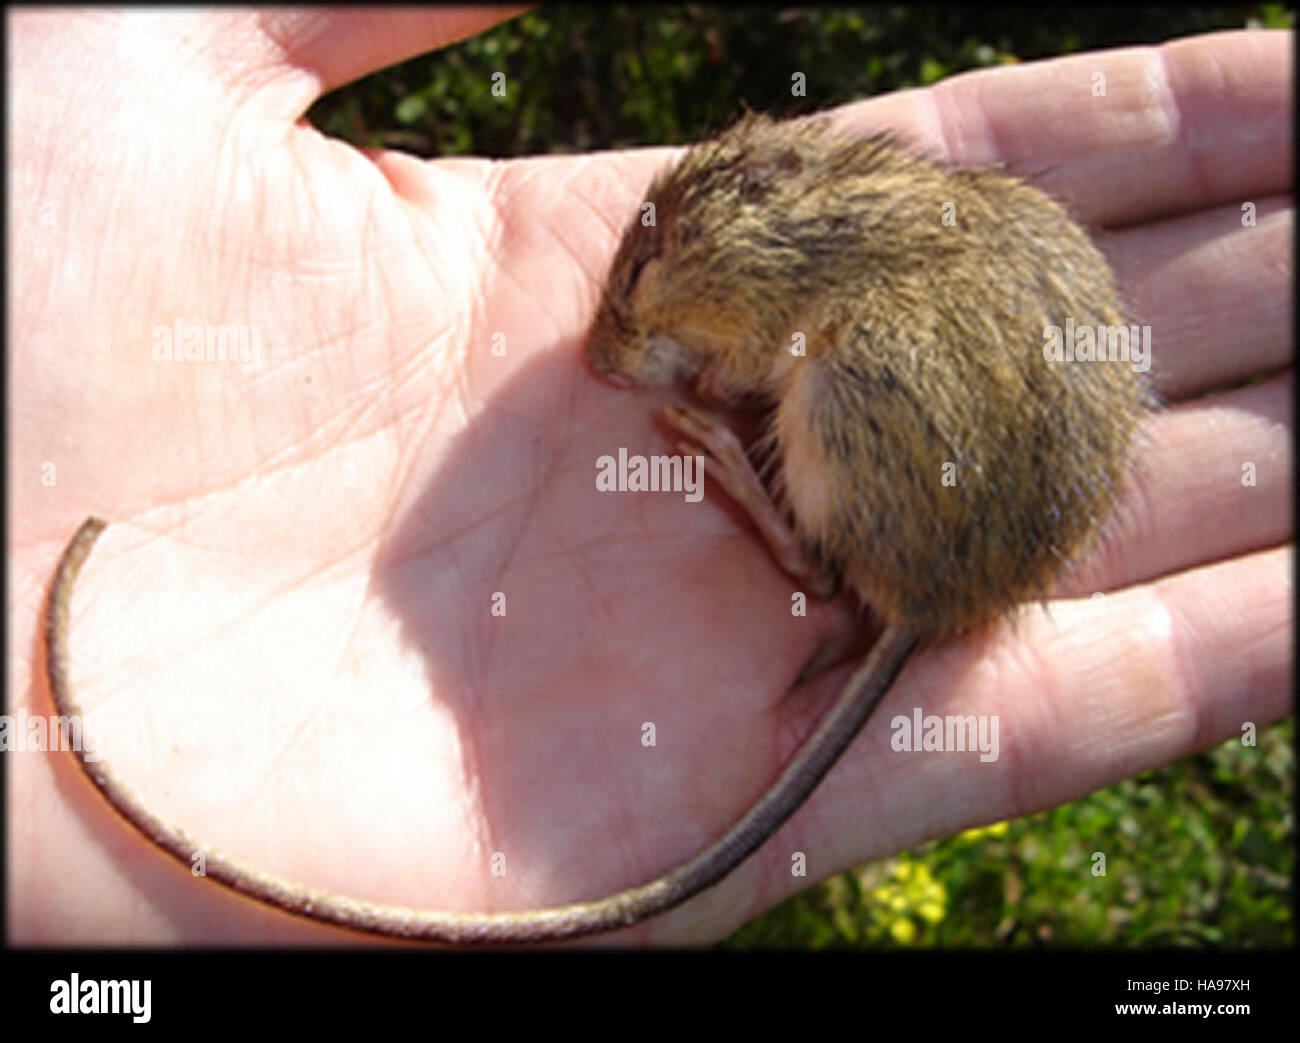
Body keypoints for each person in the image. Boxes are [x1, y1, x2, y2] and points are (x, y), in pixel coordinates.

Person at [11, 8, 1292, 944]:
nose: (629, 343)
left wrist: (727, 437)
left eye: (645, 307)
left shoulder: (756, 283)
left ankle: (806, 553)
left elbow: (737, 344)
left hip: (925, 514)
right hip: (1004, 474)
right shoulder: (826, 224)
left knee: (854, 384)